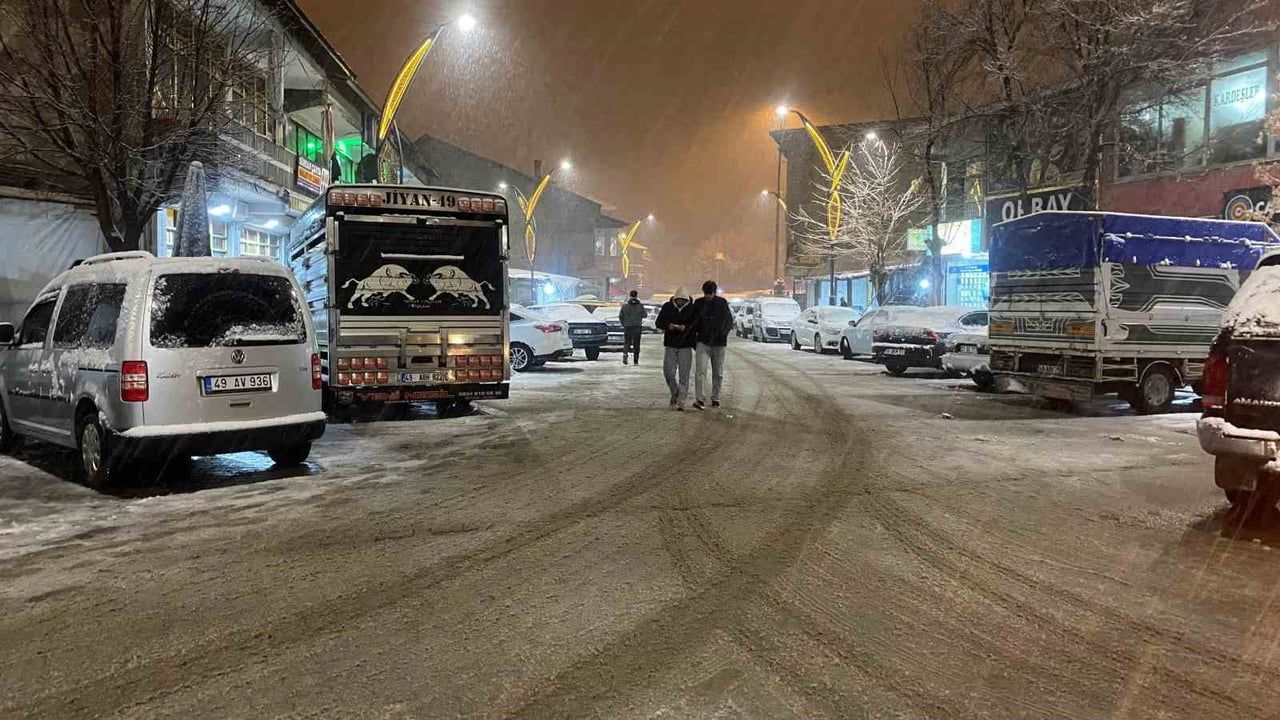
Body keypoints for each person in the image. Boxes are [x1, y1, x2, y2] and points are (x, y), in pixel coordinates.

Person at [691, 280, 733, 410]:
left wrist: (722, 334)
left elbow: (728, 322)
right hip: (705, 342)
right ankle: (701, 398)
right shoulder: (699, 304)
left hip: (716, 342)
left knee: (716, 372)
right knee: (702, 371)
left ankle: (715, 398)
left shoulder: (721, 303)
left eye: (710, 293)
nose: (708, 296)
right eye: (706, 293)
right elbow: (693, 323)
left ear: (714, 292)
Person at [655, 286, 697, 410]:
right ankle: (675, 391)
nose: (680, 303)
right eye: (678, 300)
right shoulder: (667, 307)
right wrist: (669, 326)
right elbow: (659, 323)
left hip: (686, 345)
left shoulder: (692, 309)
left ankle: (682, 400)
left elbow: (696, 325)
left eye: (683, 301)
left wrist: (686, 328)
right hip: (670, 345)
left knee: (684, 374)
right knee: (668, 372)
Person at [618, 290, 648, 365]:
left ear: (630, 295)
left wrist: (624, 323)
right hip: (637, 326)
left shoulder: (625, 306)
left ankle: (625, 353)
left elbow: (621, 316)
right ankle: (635, 360)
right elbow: (645, 315)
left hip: (628, 326)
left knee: (627, 342)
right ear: (636, 295)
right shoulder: (640, 306)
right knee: (636, 344)